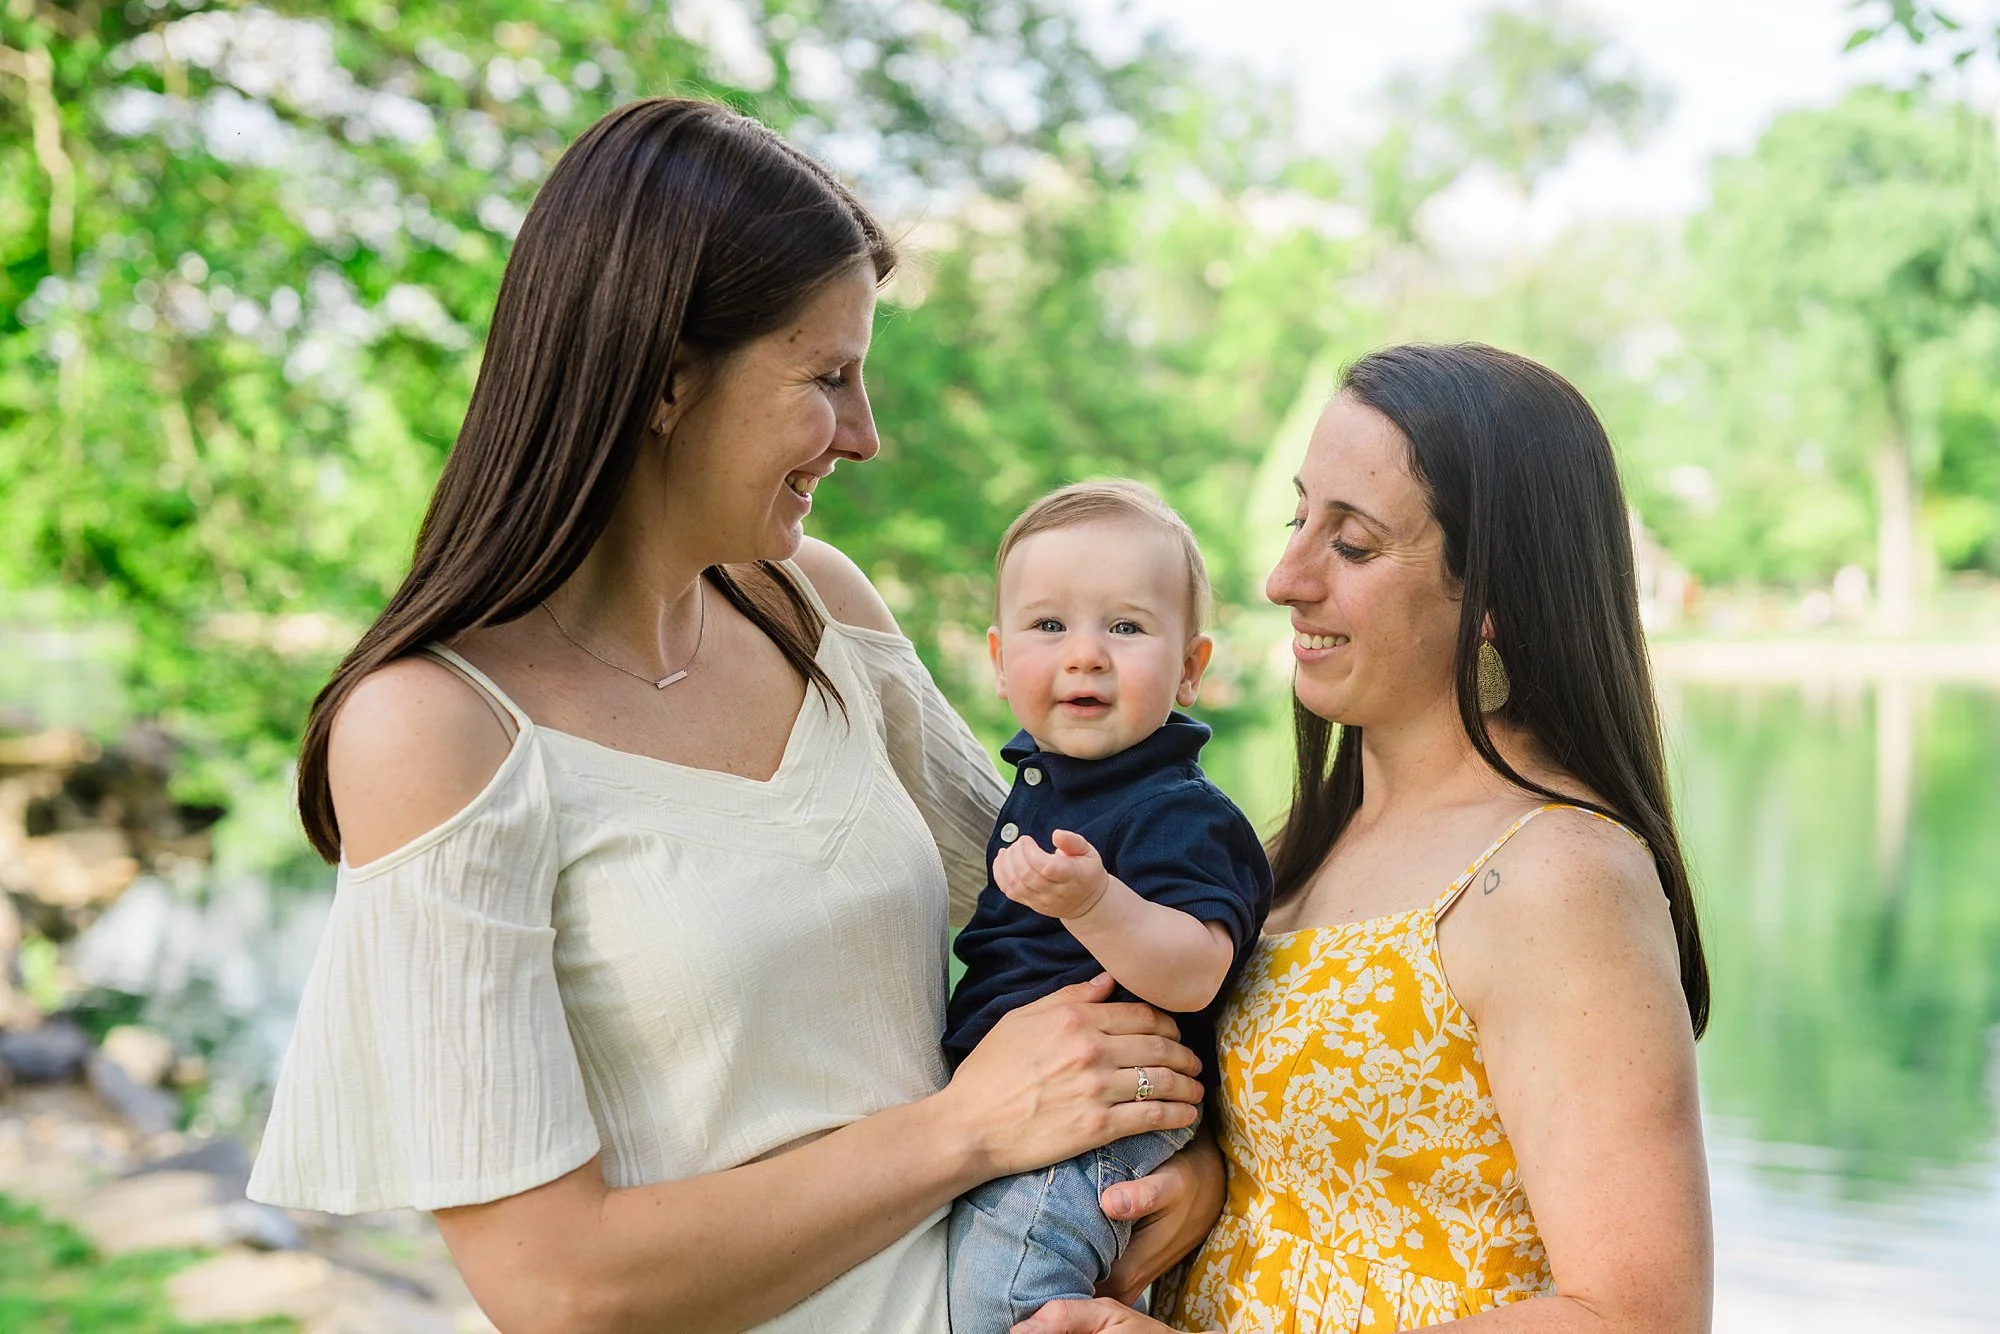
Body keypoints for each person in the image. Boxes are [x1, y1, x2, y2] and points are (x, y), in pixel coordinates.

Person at [245, 98, 1225, 1333]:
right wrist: (967, 1128)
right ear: (663, 380)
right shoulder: (434, 731)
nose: (865, 436)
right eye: (826, 376)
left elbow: (1082, 910)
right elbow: (555, 1284)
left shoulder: (816, 612)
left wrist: (1169, 1168)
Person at [1014, 343, 1713, 1334]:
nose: (1282, 576)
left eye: (1351, 544)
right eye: (1298, 517)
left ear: (1494, 598)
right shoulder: (1294, 846)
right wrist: (1198, 1185)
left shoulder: (1554, 875)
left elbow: (1636, 1316)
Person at [943, 482, 1273, 1333]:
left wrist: (1094, 902)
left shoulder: (1176, 810)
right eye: (1049, 626)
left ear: (1192, 668)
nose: (1085, 654)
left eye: (1124, 627)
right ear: (997, 655)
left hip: (1102, 1122)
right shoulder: (1047, 788)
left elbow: (1196, 971)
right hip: (1028, 1111)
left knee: (1008, 1301)